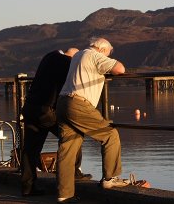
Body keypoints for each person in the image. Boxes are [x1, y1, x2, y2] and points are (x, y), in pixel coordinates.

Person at [55, 37, 128, 204]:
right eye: (108, 54)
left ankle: (64, 195)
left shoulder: (79, 55)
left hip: (63, 102)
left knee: (68, 147)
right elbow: (120, 69)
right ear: (102, 50)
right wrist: (108, 62)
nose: (108, 57)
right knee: (110, 135)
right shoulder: (95, 55)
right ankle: (110, 178)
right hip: (78, 104)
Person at [21, 48, 92, 197]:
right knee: (73, 136)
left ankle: (28, 187)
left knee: (30, 149)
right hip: (46, 110)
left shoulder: (49, 56)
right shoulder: (66, 63)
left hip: (30, 107)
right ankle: (74, 172)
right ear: (73, 57)